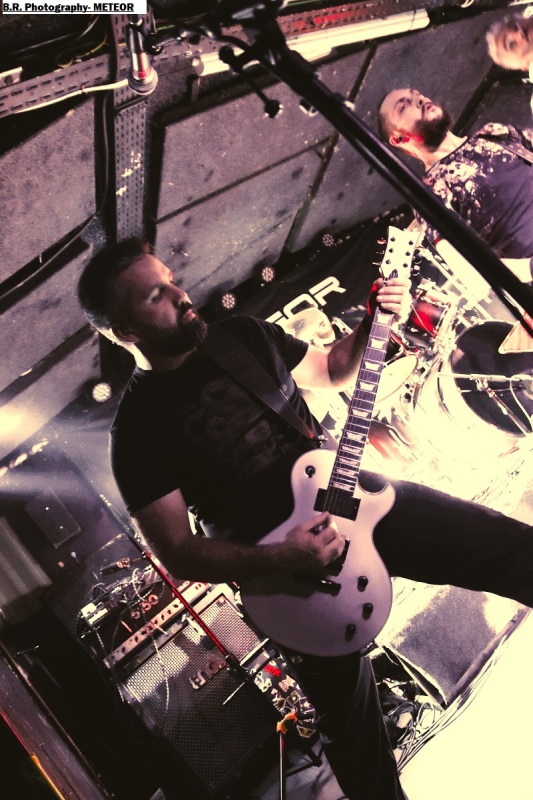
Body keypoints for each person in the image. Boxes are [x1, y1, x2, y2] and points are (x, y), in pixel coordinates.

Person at [78, 237, 533, 800]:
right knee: (356, 736)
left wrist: (370, 325)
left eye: (172, 279)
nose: (181, 295)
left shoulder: (241, 336)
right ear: (124, 330)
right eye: (156, 296)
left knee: (509, 548)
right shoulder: (137, 430)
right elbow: (177, 551)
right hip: (291, 581)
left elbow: (334, 369)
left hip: (358, 500)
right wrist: (281, 556)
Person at [377, 88, 533, 287]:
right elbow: (472, 276)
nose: (419, 99)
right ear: (398, 138)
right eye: (404, 106)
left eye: (416, 94)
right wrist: (529, 268)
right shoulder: (430, 193)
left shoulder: (493, 132)